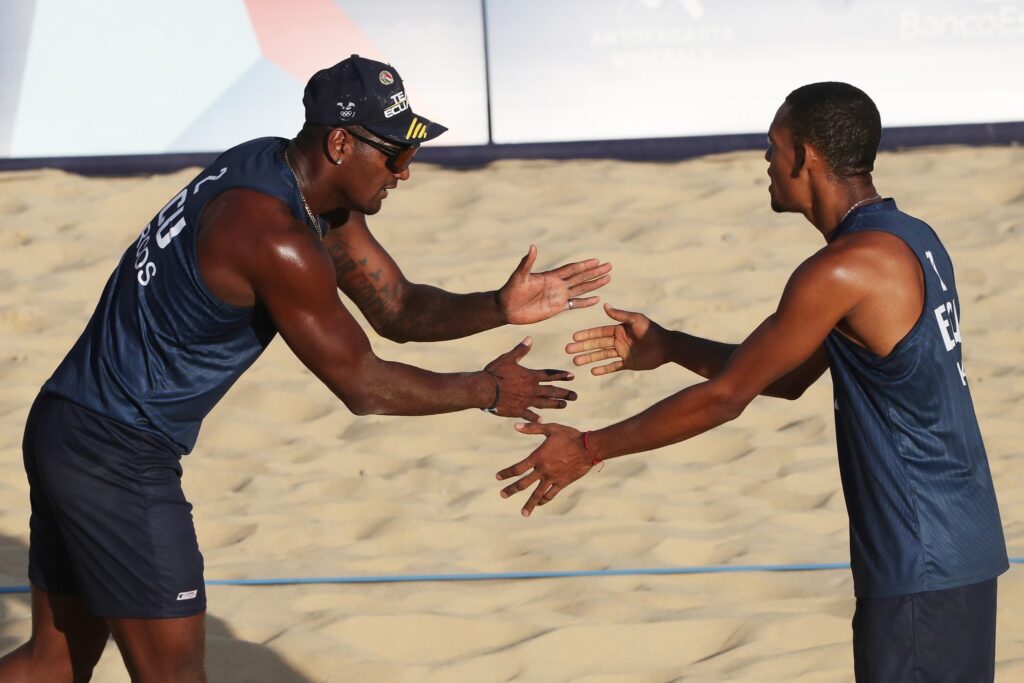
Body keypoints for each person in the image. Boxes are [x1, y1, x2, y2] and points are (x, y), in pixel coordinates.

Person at [0, 54, 611, 683]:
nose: (405, 172)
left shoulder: (276, 170)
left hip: (64, 425)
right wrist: (487, 389)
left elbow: (395, 307)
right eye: (396, 155)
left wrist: (498, 307)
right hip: (117, 454)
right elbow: (363, 386)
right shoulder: (276, 238)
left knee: (54, 663)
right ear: (342, 143)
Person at [496, 82, 1008, 681]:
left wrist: (588, 449)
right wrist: (669, 347)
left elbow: (725, 398)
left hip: (919, 556)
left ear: (805, 156)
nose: (766, 160)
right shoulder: (914, 239)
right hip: (961, 545)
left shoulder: (841, 269)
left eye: (773, 145)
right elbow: (785, 378)